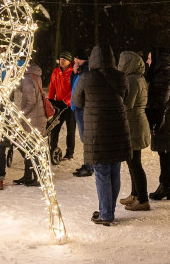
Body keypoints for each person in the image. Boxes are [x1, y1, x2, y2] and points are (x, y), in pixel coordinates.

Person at [72, 44, 131, 226]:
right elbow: (126, 98)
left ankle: (106, 213)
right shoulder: (121, 76)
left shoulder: (86, 77)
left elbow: (77, 100)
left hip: (97, 131)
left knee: (102, 172)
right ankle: (108, 210)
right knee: (114, 170)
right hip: (118, 129)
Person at [146, 47, 170, 201]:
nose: (147, 61)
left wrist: (153, 117)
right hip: (164, 117)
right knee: (164, 153)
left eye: (150, 58)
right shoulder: (162, 73)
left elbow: (161, 100)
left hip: (164, 119)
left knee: (165, 152)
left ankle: (165, 187)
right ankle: (165, 186)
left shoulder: (163, 75)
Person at [117, 51, 150, 211]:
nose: (119, 64)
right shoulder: (139, 78)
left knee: (135, 163)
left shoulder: (131, 80)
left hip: (134, 124)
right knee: (133, 161)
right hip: (137, 122)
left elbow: (127, 104)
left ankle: (142, 199)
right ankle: (135, 194)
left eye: (122, 61)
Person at [12, 62, 46, 187]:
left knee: (29, 147)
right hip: (36, 117)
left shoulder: (27, 79)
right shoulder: (34, 75)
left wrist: (21, 114)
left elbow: (31, 102)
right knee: (29, 146)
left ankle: (38, 177)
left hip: (32, 119)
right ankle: (28, 175)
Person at [48, 51, 75, 161]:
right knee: (54, 128)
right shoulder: (55, 72)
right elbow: (52, 87)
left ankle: (70, 152)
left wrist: (66, 100)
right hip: (58, 105)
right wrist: (50, 100)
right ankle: (53, 148)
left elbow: (75, 88)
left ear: (69, 61)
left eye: (64, 59)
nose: (62, 60)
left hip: (70, 105)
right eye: (61, 58)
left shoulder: (73, 72)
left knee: (71, 130)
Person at [70, 49, 93, 177]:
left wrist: (80, 104)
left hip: (83, 108)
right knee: (85, 138)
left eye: (76, 59)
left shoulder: (86, 71)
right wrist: (74, 72)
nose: (74, 61)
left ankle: (89, 166)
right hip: (78, 108)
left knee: (87, 138)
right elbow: (72, 86)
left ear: (81, 59)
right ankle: (87, 164)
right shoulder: (81, 71)